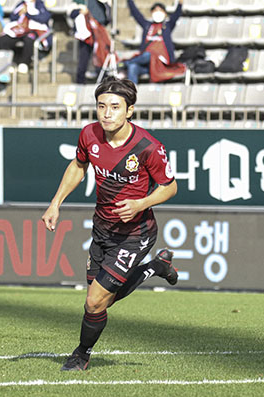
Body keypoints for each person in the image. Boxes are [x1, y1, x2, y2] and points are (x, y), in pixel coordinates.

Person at [41, 77, 178, 371]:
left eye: (115, 107)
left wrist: (141, 204)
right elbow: (78, 166)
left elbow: (170, 187)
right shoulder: (89, 134)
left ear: (129, 110)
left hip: (135, 234)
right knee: (104, 300)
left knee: (94, 302)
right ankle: (157, 267)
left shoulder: (148, 147)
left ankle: (81, 355)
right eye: (101, 106)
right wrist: (55, 203)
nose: (106, 113)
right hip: (102, 230)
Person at [123, 0, 185, 84]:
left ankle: (125, 63)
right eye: (155, 10)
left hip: (160, 63)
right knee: (133, 67)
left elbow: (176, 15)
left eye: (160, 10)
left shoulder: (167, 26)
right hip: (147, 64)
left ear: (165, 13)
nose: (158, 13)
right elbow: (136, 13)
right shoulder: (147, 26)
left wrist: (180, 4)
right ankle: (131, 90)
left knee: (149, 55)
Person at [0, 0, 52, 74]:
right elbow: (12, 17)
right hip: (20, 30)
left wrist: (28, 14)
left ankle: (24, 63)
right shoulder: (21, 4)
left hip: (35, 30)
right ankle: (8, 62)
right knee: (3, 40)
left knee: (29, 38)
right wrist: (19, 13)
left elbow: (44, 18)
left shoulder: (40, 4)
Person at [69, 0, 112, 83]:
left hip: (99, 32)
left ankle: (103, 80)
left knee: (101, 55)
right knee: (83, 58)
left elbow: (107, 15)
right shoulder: (79, 2)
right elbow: (71, 13)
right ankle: (80, 81)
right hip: (85, 35)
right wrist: (80, 11)